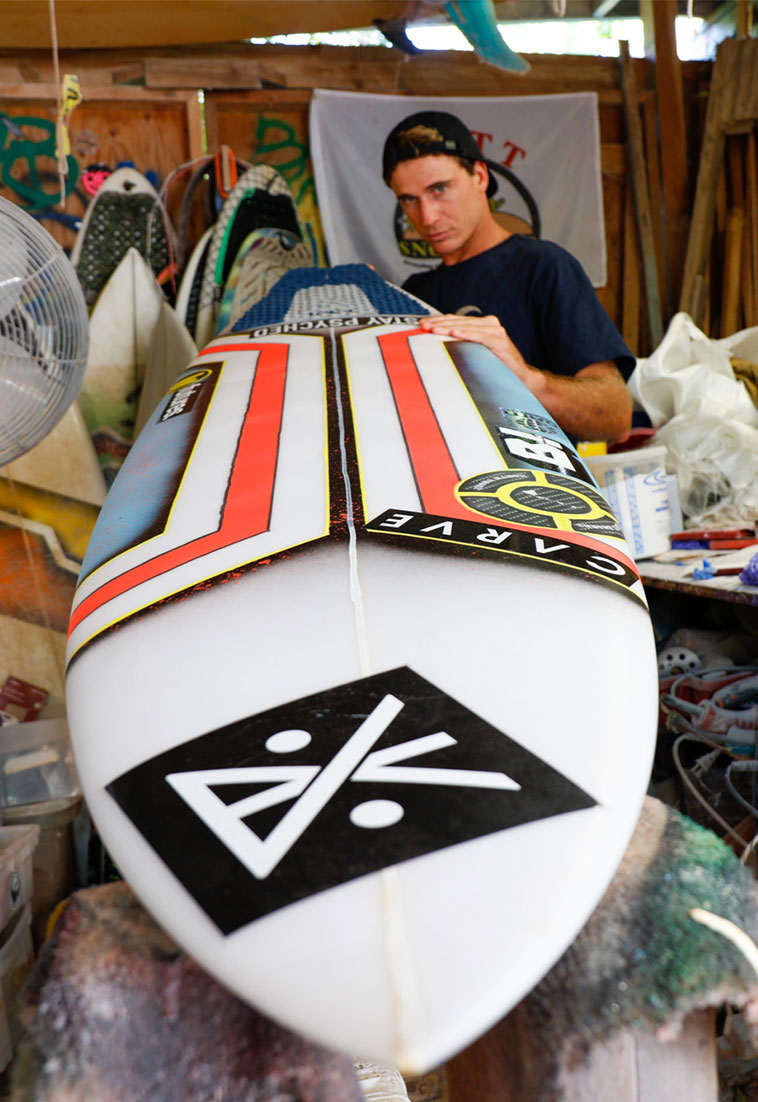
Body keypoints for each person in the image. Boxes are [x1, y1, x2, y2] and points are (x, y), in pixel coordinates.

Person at [382, 110, 634, 444]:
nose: (426, 217)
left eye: (439, 189)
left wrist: (527, 379)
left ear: (480, 177)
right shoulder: (416, 293)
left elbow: (616, 417)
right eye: (409, 200)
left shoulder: (545, 268)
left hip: (532, 490)